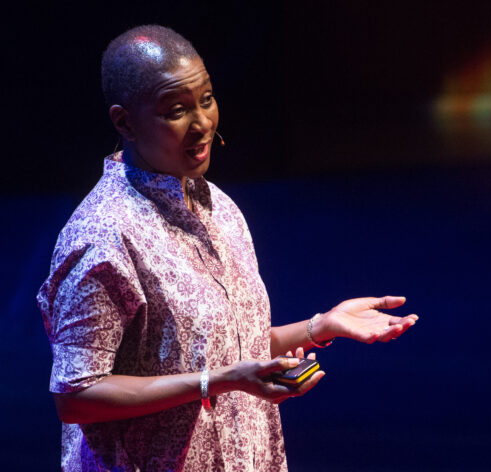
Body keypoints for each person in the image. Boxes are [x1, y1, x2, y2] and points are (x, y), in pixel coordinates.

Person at [36, 24, 418, 471]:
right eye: (176, 110)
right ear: (125, 122)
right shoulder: (101, 236)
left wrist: (319, 327)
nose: (201, 123)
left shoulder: (218, 206)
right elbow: (76, 395)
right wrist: (214, 381)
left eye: (207, 100)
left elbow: (227, 351)